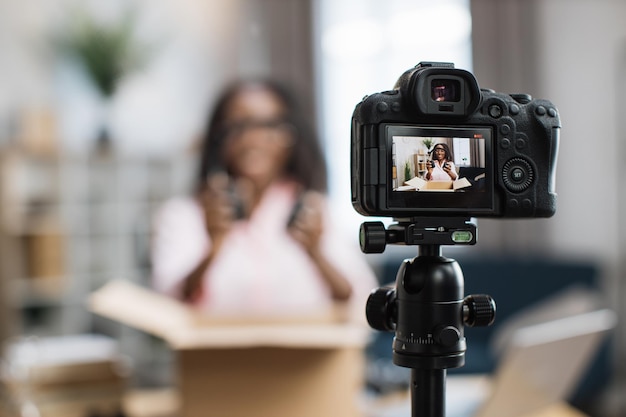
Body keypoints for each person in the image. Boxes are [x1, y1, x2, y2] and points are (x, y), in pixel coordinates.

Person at [151, 79, 377, 318]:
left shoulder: (312, 211)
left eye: (269, 125)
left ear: (292, 137)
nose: (253, 139)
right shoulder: (183, 215)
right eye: (239, 126)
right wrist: (213, 247)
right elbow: (168, 303)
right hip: (218, 355)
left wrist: (316, 253)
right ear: (218, 138)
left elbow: (360, 297)